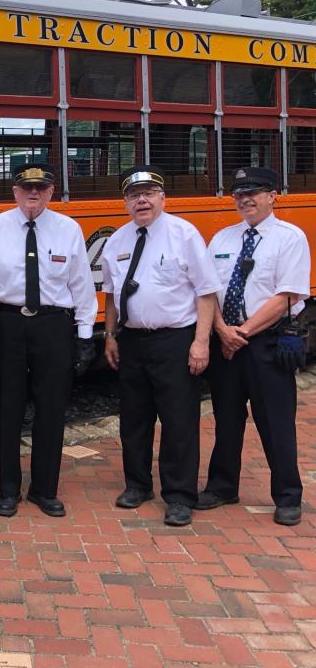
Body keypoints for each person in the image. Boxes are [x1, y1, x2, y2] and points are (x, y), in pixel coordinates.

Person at [101, 165, 220, 527]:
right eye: (134, 195)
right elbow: (110, 295)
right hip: (132, 340)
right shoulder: (117, 240)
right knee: (133, 420)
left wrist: (201, 342)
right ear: (125, 202)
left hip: (175, 339)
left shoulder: (184, 234)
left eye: (149, 193)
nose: (142, 200)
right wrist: (109, 335)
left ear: (162, 198)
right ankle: (137, 485)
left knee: (178, 420)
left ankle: (180, 496)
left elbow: (206, 291)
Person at [0, 164, 97, 519]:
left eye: (41, 188)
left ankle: (44, 489)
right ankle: (8, 489)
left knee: (51, 409)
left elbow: (81, 285)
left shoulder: (68, 228)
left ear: (51, 191)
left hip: (53, 326)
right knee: (5, 409)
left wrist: (85, 335)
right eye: (27, 187)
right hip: (8, 325)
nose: (33, 194)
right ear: (15, 191)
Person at [198, 167, 310, 526]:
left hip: (266, 343)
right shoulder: (222, 239)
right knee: (226, 419)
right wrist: (220, 330)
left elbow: (286, 295)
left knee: (275, 422)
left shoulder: (289, 238)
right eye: (239, 194)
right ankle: (222, 486)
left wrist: (240, 333)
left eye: (255, 192)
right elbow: (208, 291)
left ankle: (288, 496)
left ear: (273, 195)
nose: (246, 199)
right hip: (226, 342)